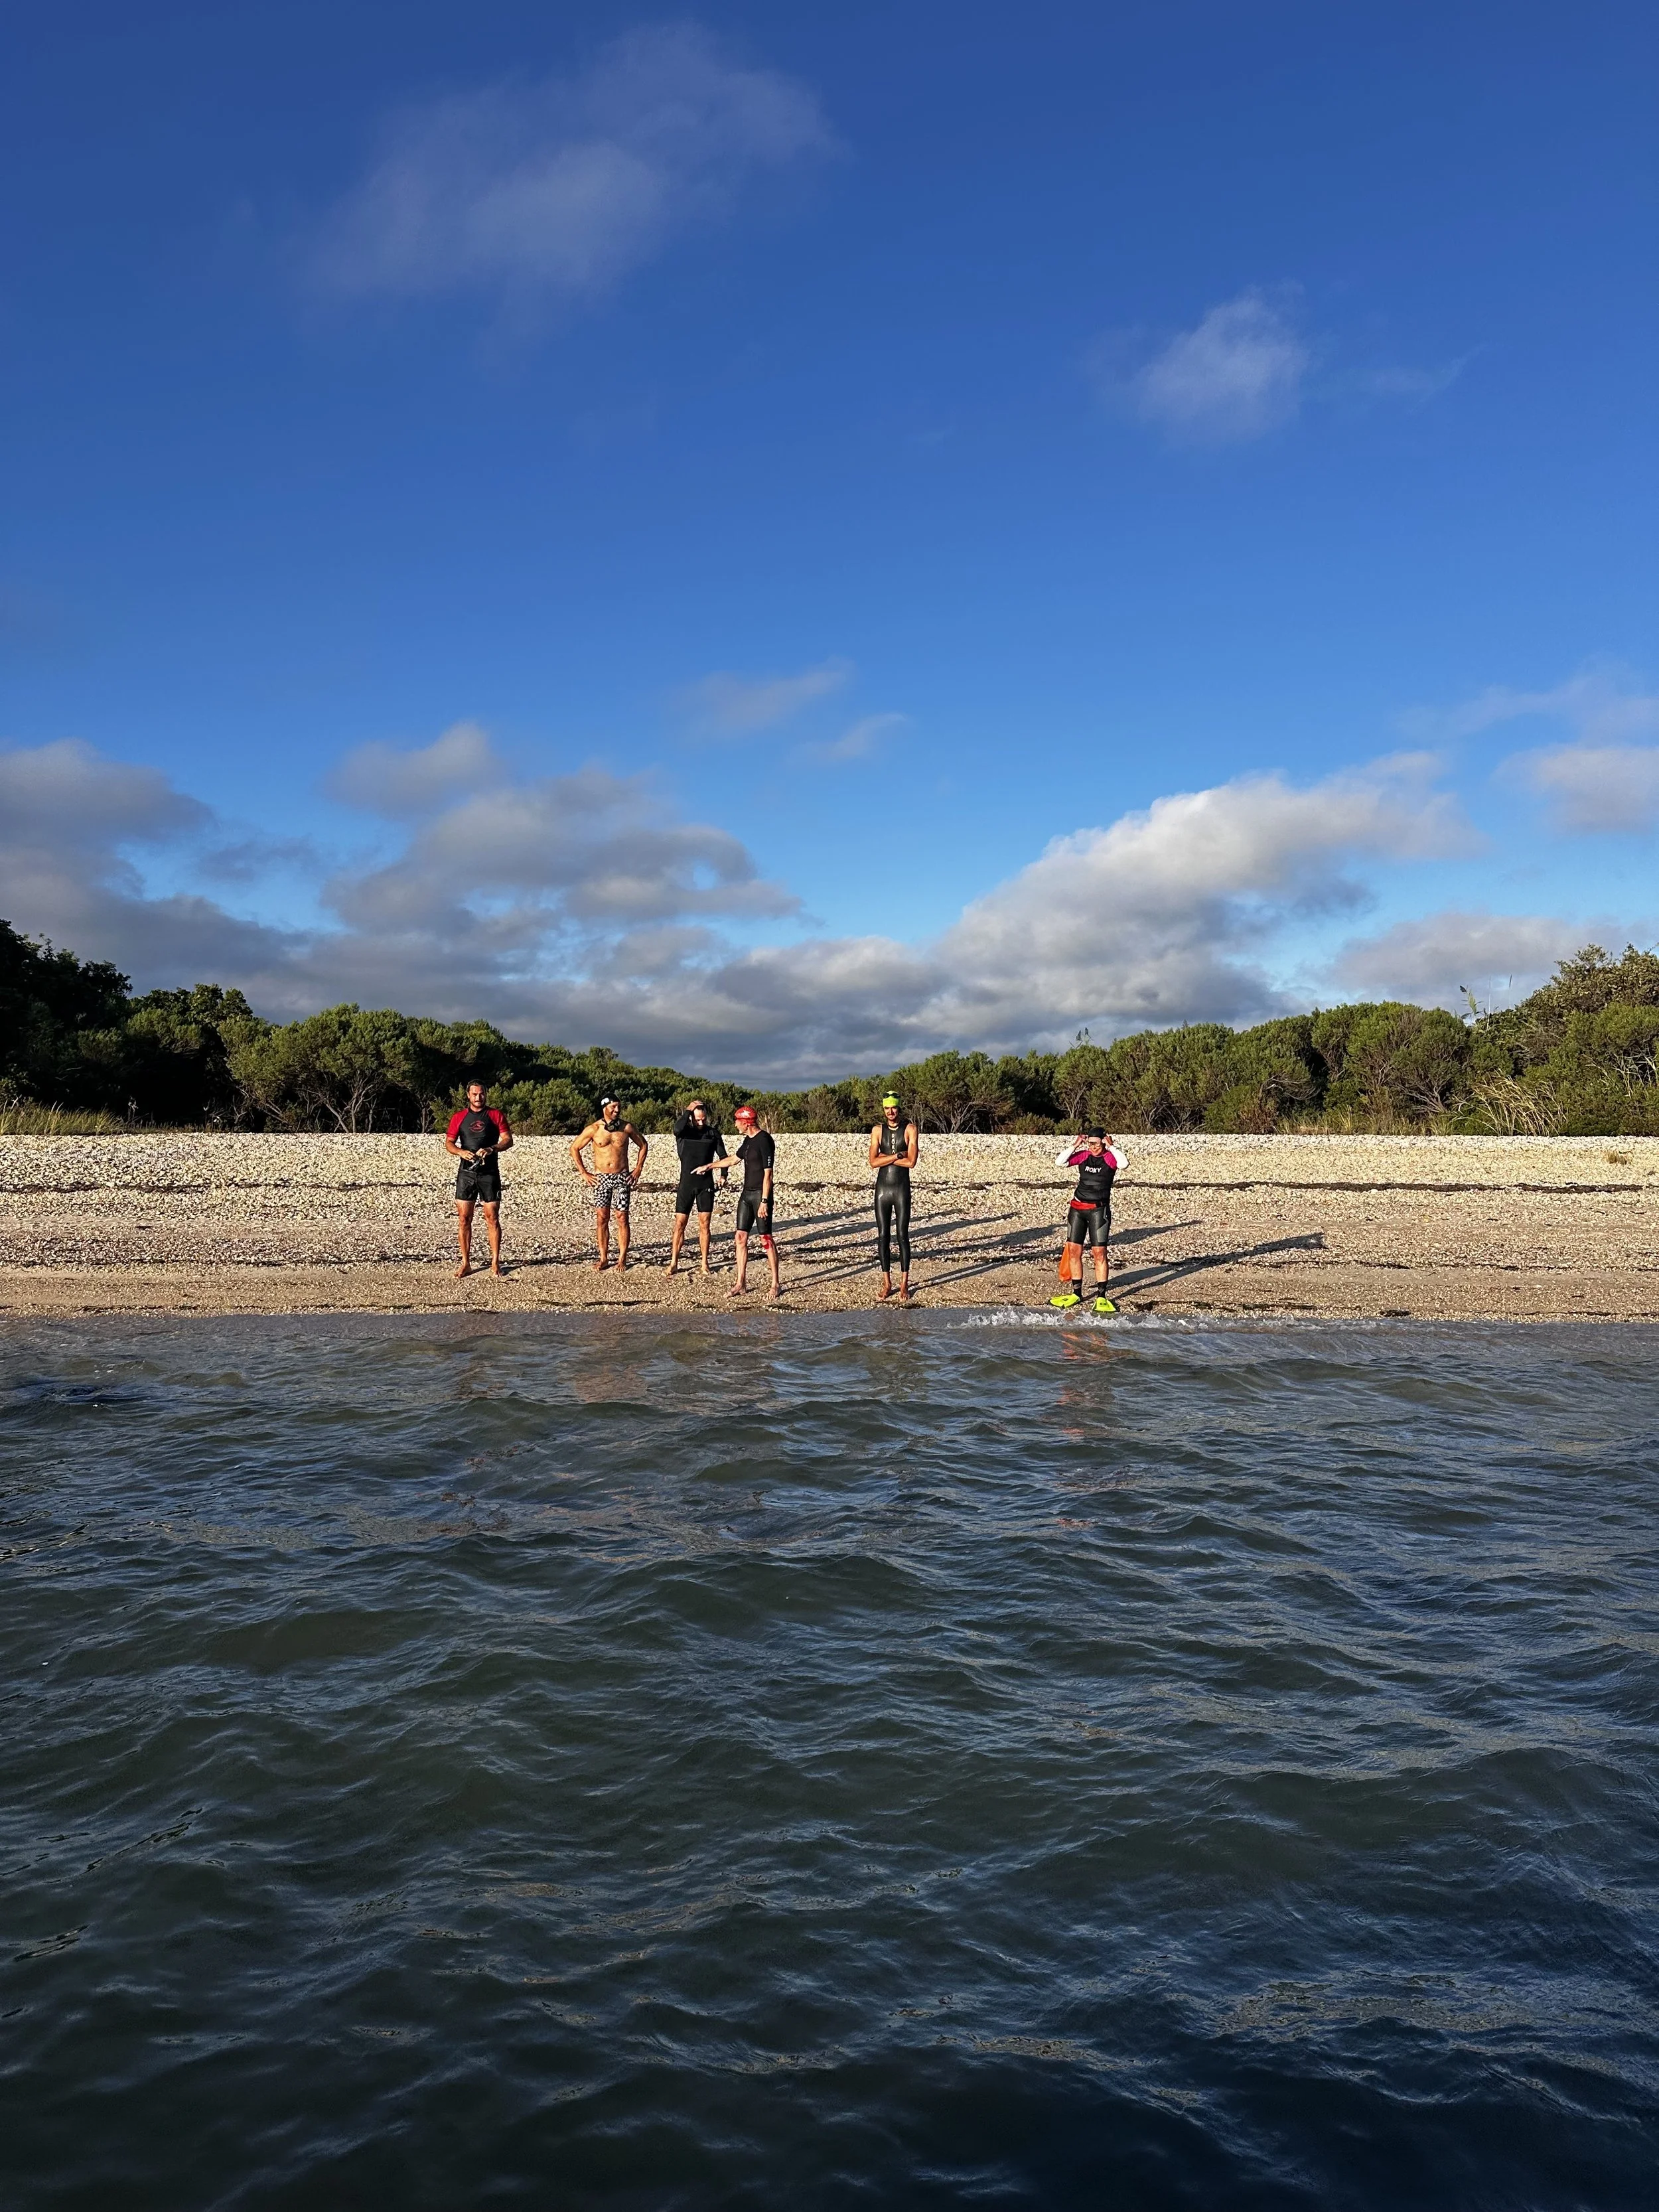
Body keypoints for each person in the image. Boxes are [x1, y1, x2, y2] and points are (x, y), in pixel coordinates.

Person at [701, 1104, 781, 1299]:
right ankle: (741, 1283)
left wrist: (764, 1201)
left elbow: (768, 1175)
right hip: (746, 1195)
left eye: (737, 1122)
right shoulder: (748, 1141)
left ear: (746, 1123)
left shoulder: (764, 1140)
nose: (736, 1125)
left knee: (766, 1238)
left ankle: (776, 1283)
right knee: (740, 1238)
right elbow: (733, 1160)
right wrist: (710, 1166)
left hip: (760, 1196)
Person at [1049, 1128, 1126, 1313]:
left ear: (1104, 1142)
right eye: (1090, 1143)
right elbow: (1060, 1162)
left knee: (1099, 1253)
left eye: (1096, 1143)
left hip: (1098, 1211)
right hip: (1077, 1210)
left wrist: (1112, 1146)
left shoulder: (1109, 1158)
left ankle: (1101, 1297)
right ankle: (1077, 1293)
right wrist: (1075, 1145)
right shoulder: (1083, 1155)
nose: (1093, 1147)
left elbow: (1124, 1164)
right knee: (1074, 1251)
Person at [569, 1097, 648, 1272]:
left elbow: (643, 1145)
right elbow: (574, 1148)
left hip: (622, 1177)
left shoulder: (626, 1127)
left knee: (622, 1218)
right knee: (602, 1218)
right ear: (605, 1107)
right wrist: (584, 1173)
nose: (617, 1110)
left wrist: (638, 1169)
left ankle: (622, 1259)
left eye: (619, 1107)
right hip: (601, 1178)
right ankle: (604, 1258)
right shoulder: (594, 1129)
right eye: (613, 1107)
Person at [445, 1080, 514, 1279]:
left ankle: (495, 1262)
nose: (478, 1097)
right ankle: (466, 1263)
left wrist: (493, 1148)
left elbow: (508, 1140)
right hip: (466, 1173)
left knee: (492, 1218)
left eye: (481, 1094)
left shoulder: (496, 1115)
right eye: (474, 1094)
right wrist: (460, 1152)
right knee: (464, 1218)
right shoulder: (459, 1117)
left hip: (489, 1172)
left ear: (486, 1094)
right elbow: (449, 1143)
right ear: (468, 1095)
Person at [666, 1098, 728, 1275]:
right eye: (698, 1119)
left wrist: (724, 1175)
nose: (701, 1122)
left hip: (705, 1184)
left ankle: (704, 1263)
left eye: (704, 1119)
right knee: (680, 1223)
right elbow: (677, 1128)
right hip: (686, 1183)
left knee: (705, 1224)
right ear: (692, 1117)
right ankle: (674, 1262)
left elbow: (723, 1155)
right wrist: (688, 1109)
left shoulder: (713, 1134)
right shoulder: (684, 1133)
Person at [868, 1091, 918, 1303]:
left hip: (901, 1189)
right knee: (882, 1237)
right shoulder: (877, 1130)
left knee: (902, 1235)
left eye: (894, 1108)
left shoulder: (910, 1129)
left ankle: (905, 1283)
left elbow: (911, 1162)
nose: (891, 1112)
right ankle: (887, 1283)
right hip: (882, 1190)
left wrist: (886, 1158)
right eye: (887, 1108)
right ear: (883, 1109)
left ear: (899, 1108)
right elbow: (872, 1162)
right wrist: (898, 1155)